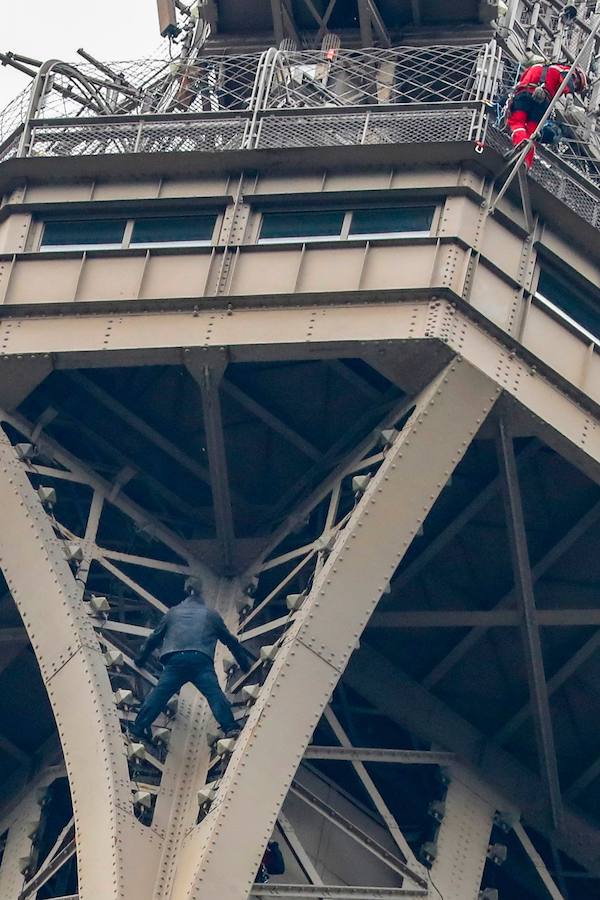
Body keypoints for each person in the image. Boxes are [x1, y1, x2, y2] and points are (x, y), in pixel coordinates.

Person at [130, 576, 254, 741]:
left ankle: (137, 730)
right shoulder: (211, 615)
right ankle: (230, 728)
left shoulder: (173, 613)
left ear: (186, 591)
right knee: (215, 695)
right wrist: (245, 664)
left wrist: (140, 659)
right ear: (202, 593)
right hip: (200, 660)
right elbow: (230, 641)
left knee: (158, 696)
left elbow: (154, 639)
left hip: (175, 660)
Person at [506, 62, 588, 168]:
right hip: (542, 103)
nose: (574, 85)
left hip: (523, 96)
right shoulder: (563, 70)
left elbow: (520, 83)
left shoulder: (534, 67)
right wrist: (570, 95)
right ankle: (525, 163)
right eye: (576, 84)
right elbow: (567, 79)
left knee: (517, 124)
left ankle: (520, 153)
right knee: (532, 133)